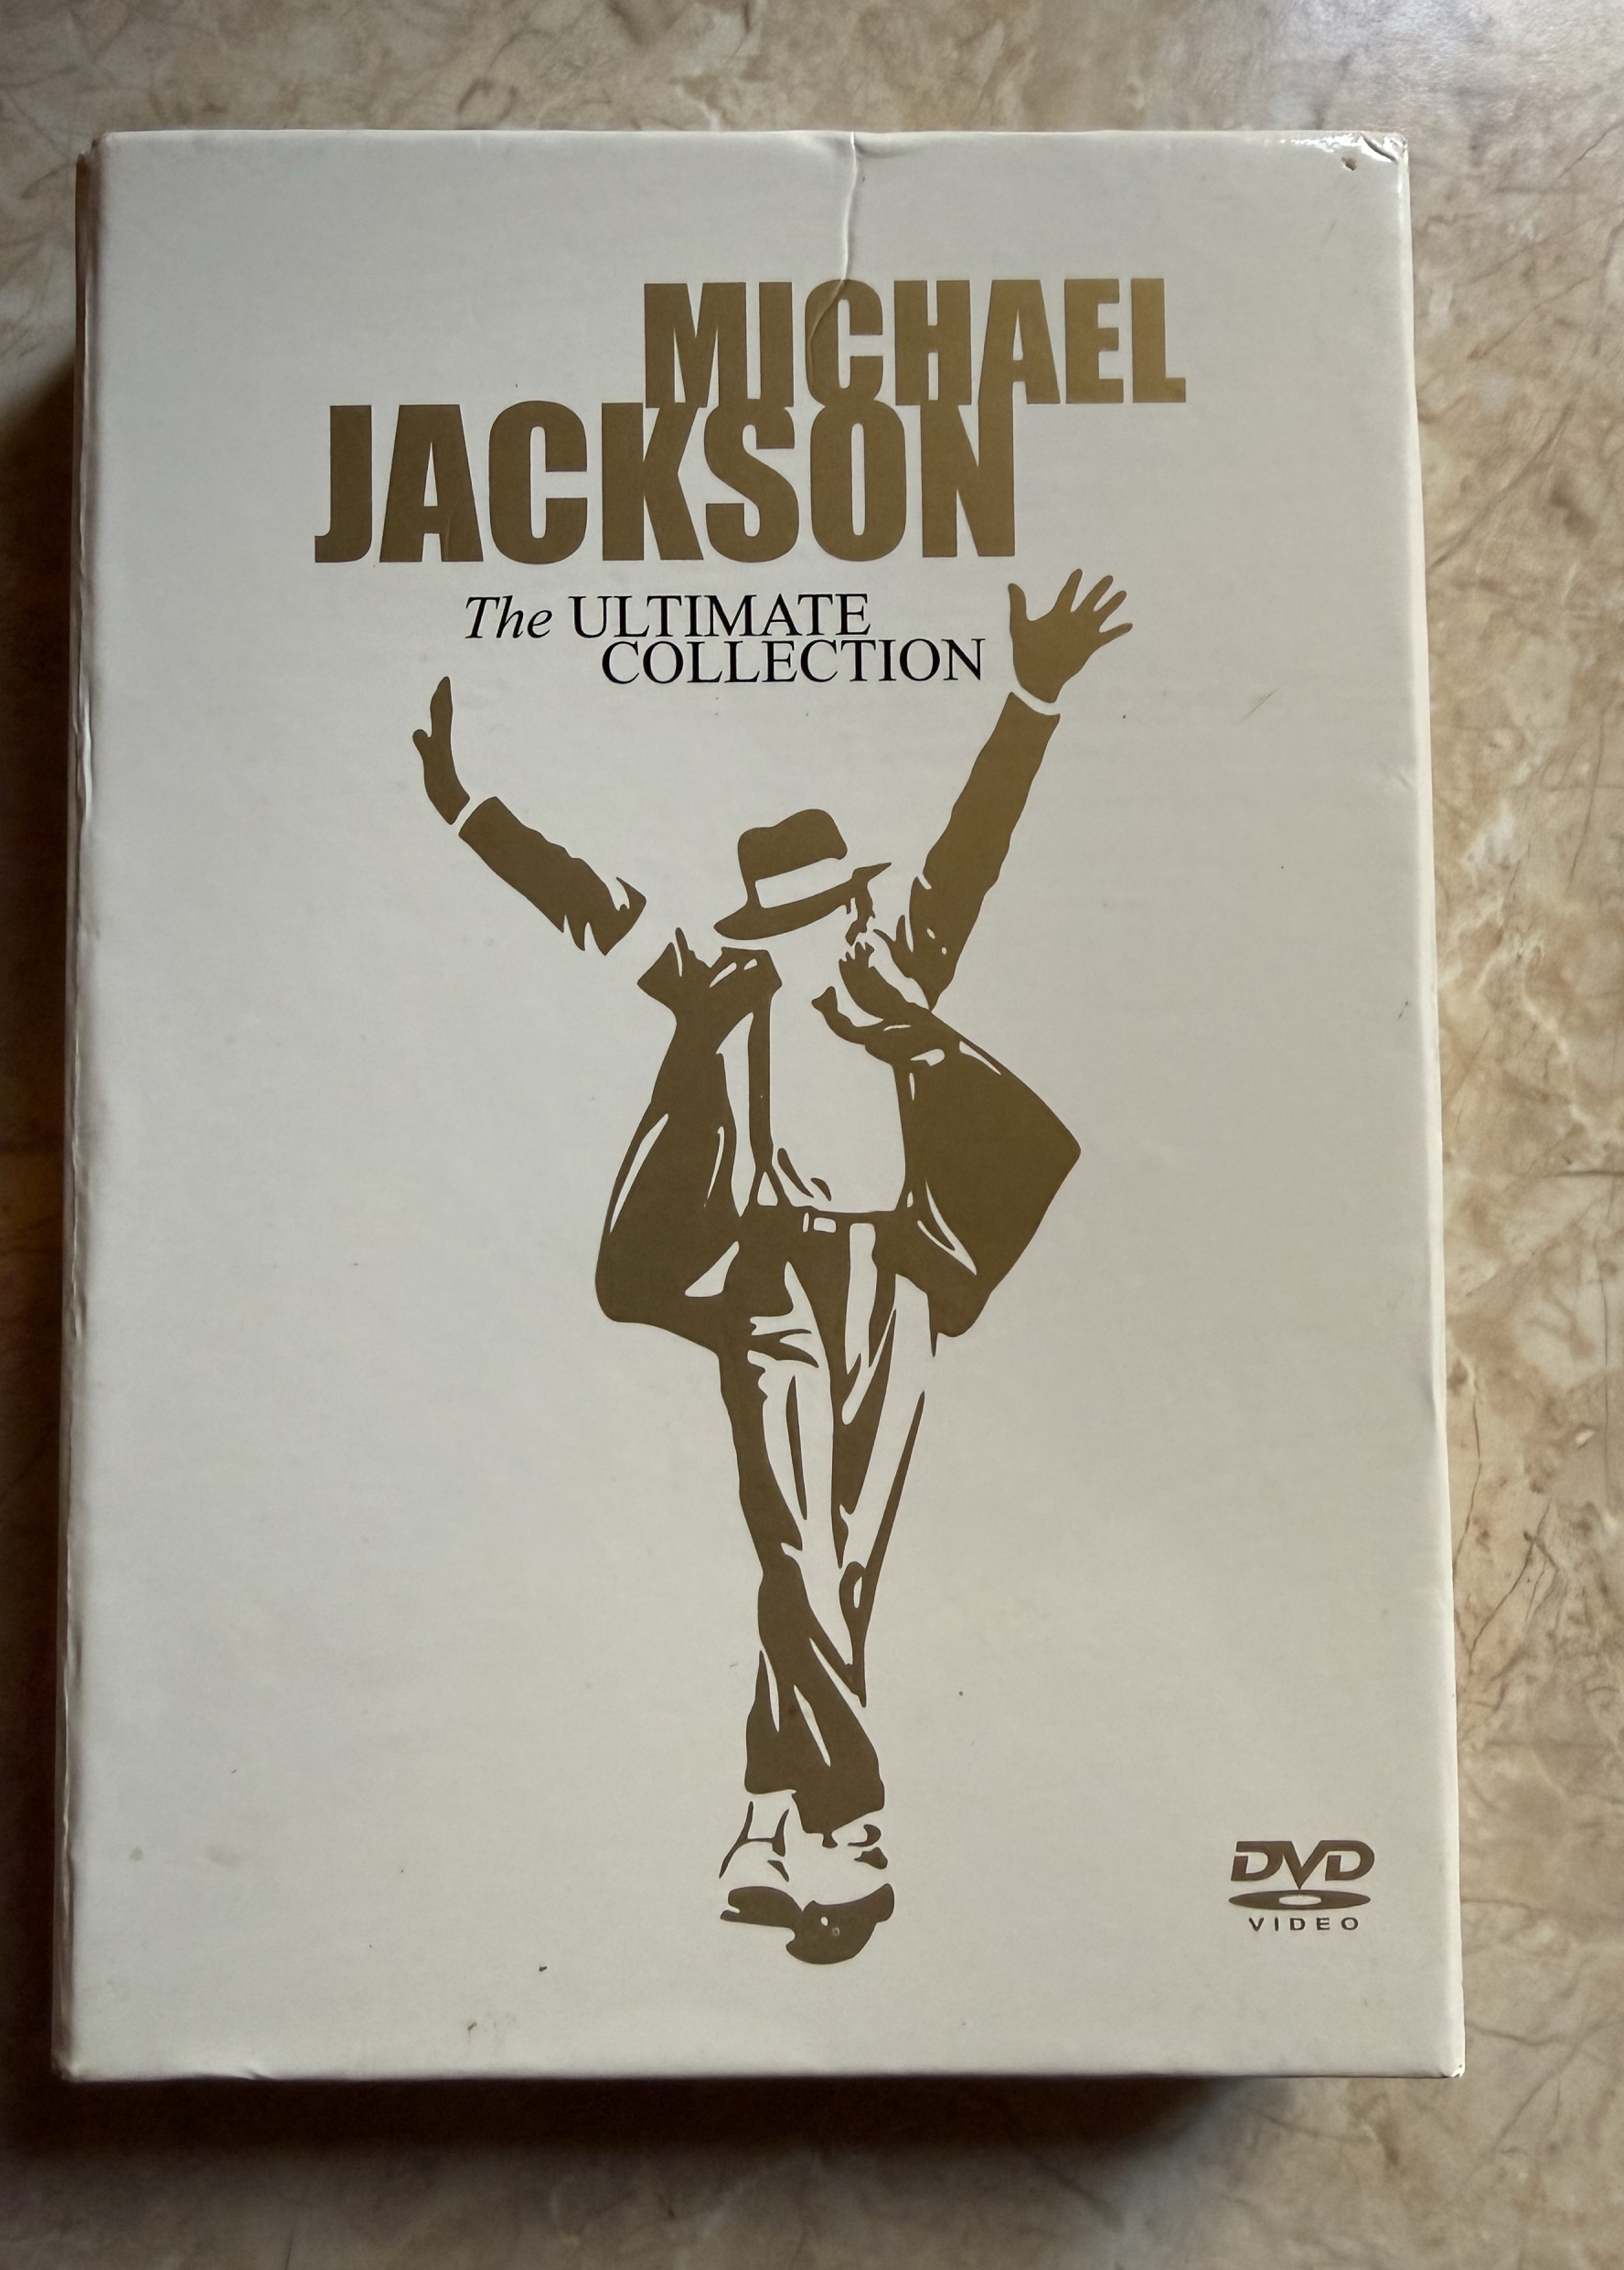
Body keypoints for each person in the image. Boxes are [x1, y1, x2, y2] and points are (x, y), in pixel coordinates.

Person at [415, 573, 1130, 1964]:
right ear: (777, 932)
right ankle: (847, 1834)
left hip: (899, 1287)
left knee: (841, 1567)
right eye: (827, 918)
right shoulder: (721, 990)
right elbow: (588, 904)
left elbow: (972, 849)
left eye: (851, 906)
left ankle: (759, 1823)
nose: (853, 928)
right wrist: (467, 808)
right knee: (797, 1548)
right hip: (778, 1292)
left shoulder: (896, 977)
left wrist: (1034, 696)